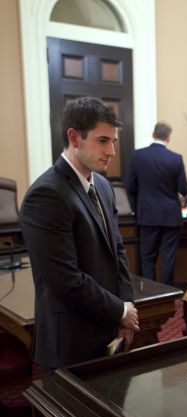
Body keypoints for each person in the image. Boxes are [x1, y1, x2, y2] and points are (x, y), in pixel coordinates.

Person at [20, 97, 139, 371]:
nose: (111, 150)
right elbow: (65, 280)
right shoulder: (47, 194)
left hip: (110, 329)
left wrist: (124, 308)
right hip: (72, 343)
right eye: (102, 141)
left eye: (113, 141)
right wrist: (120, 311)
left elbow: (118, 251)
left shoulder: (104, 186)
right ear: (74, 137)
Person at [127, 122, 187, 285]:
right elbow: (183, 189)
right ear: (168, 138)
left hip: (147, 215)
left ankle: (151, 294)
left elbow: (130, 187)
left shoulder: (137, 156)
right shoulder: (176, 158)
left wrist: (138, 207)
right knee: (168, 257)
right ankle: (167, 294)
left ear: (153, 134)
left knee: (147, 257)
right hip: (170, 216)